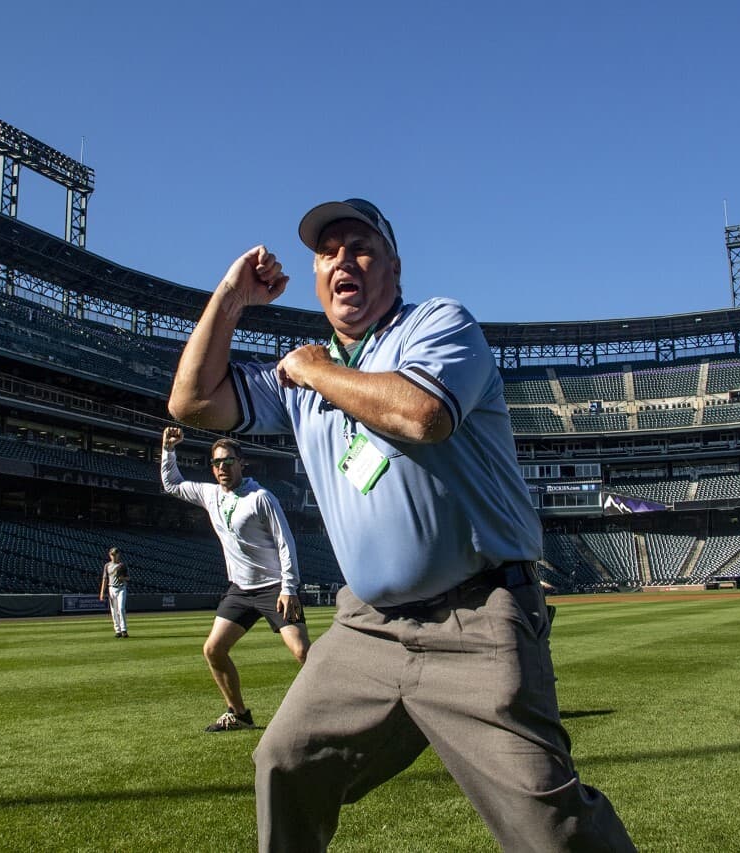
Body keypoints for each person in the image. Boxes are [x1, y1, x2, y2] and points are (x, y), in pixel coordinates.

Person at [167, 199, 634, 851]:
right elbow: (191, 400)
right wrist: (230, 297)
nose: (342, 260)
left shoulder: (437, 325)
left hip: (475, 616)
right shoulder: (297, 381)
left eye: (359, 246)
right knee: (284, 762)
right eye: (327, 252)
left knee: (548, 828)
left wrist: (317, 370)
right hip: (367, 626)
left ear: (394, 266)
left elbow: (422, 415)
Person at [160, 426, 309, 733]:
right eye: (216, 463)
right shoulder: (210, 494)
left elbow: (286, 542)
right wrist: (168, 450)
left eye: (228, 461)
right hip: (240, 590)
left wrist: (289, 588)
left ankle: (340, 710)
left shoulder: (261, 498)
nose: (222, 468)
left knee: (303, 653)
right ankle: (239, 714)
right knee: (213, 649)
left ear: (242, 463)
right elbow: (172, 484)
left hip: (273, 589)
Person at [98, 547, 130, 638]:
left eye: (115, 554)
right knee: (114, 611)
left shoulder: (122, 565)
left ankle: (124, 630)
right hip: (111, 588)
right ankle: (117, 630)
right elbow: (104, 579)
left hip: (121, 588)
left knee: (121, 608)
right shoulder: (107, 565)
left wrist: (123, 578)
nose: (114, 556)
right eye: (112, 554)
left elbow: (128, 578)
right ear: (110, 555)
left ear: (118, 555)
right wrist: (101, 592)